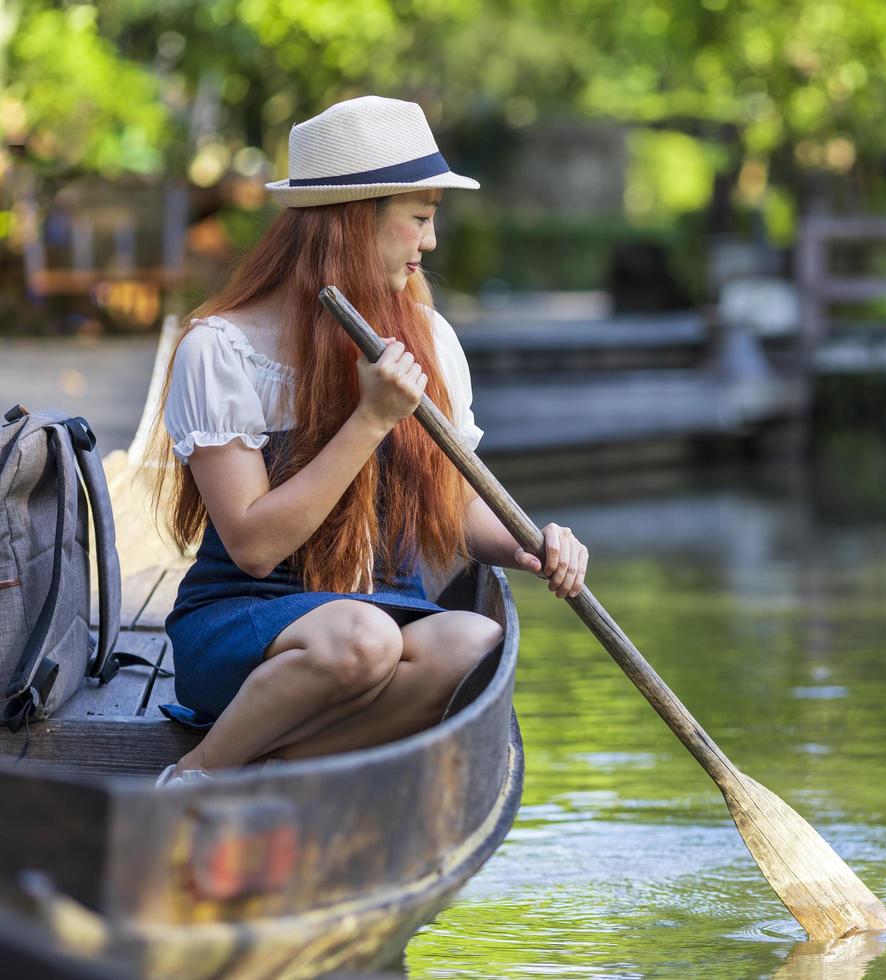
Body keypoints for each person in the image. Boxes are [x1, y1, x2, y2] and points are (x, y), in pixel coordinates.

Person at [148, 96, 588, 785]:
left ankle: (272, 772)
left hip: (381, 608)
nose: (431, 242)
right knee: (362, 640)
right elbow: (256, 549)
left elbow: (451, 506)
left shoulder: (430, 340)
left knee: (476, 642)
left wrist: (533, 543)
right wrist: (372, 419)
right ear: (354, 222)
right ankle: (195, 776)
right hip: (251, 626)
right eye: (419, 218)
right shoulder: (223, 349)